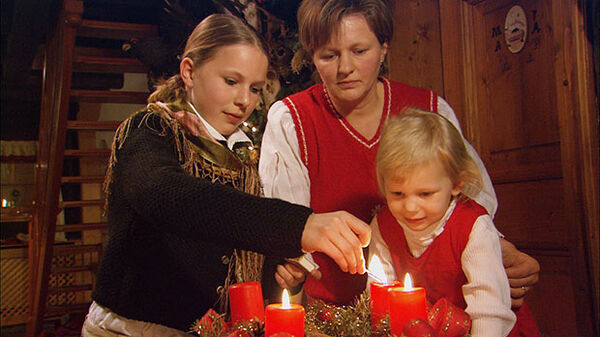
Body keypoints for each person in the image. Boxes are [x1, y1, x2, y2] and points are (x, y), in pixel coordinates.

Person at [82, 14, 370, 337]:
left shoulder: (241, 157)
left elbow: (234, 245)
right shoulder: (148, 131)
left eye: (256, 88)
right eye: (231, 82)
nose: (244, 101)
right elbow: (170, 196)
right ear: (189, 72)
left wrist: (281, 273)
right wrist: (299, 225)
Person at [259, 0, 539, 306]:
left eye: (360, 51)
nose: (345, 68)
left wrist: (498, 248)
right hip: (331, 312)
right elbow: (287, 224)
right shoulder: (291, 120)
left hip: (431, 311)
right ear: (312, 55)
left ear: (383, 47)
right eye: (329, 55)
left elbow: (469, 206)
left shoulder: (430, 111)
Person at [369, 109, 519, 336]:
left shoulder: (473, 226)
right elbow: (378, 290)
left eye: (425, 194)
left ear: (457, 184)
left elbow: (489, 309)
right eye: (398, 193)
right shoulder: (383, 225)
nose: (410, 207)